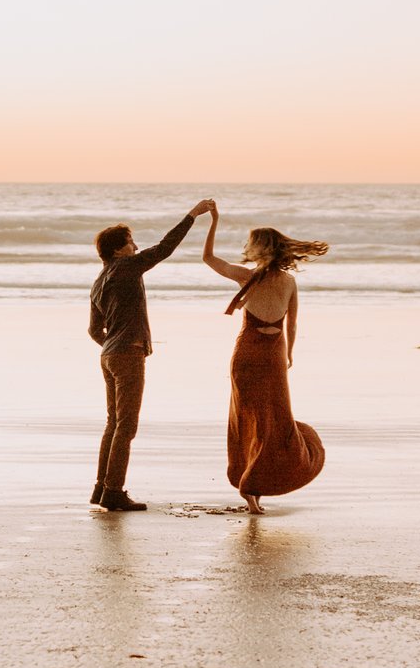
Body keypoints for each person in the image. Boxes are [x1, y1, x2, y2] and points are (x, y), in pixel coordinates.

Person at [87, 199, 215, 512]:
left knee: (113, 423)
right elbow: (165, 247)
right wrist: (191, 216)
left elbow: (93, 330)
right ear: (118, 250)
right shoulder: (128, 267)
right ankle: (114, 492)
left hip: (109, 354)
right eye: (130, 242)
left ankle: (101, 488)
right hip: (127, 354)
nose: (135, 246)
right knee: (126, 426)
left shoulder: (98, 281)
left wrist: (113, 345)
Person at [200, 206, 328, 512]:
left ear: (261, 248)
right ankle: (252, 489)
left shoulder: (248, 276)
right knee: (272, 418)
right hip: (271, 354)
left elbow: (208, 258)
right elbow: (292, 324)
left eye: (251, 243)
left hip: (248, 353)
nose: (247, 248)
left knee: (251, 417)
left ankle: (252, 488)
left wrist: (214, 221)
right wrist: (289, 353)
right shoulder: (287, 282)